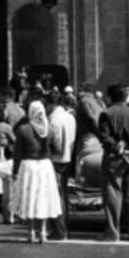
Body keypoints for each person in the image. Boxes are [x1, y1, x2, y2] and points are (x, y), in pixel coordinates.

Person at [97, 84, 129, 242]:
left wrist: (116, 147)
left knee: (113, 194)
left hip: (114, 158)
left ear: (110, 97)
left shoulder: (106, 113)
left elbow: (104, 137)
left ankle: (113, 232)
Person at [12, 102, 61, 243]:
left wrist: (15, 170)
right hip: (45, 165)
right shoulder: (50, 129)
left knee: (30, 198)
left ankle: (31, 231)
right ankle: (43, 232)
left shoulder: (23, 129)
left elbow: (18, 152)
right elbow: (57, 149)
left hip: (28, 165)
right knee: (43, 197)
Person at [45, 90, 75, 240]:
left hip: (55, 160)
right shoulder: (70, 117)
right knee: (63, 193)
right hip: (67, 158)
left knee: (56, 196)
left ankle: (59, 229)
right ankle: (63, 226)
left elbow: (55, 145)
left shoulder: (53, 120)